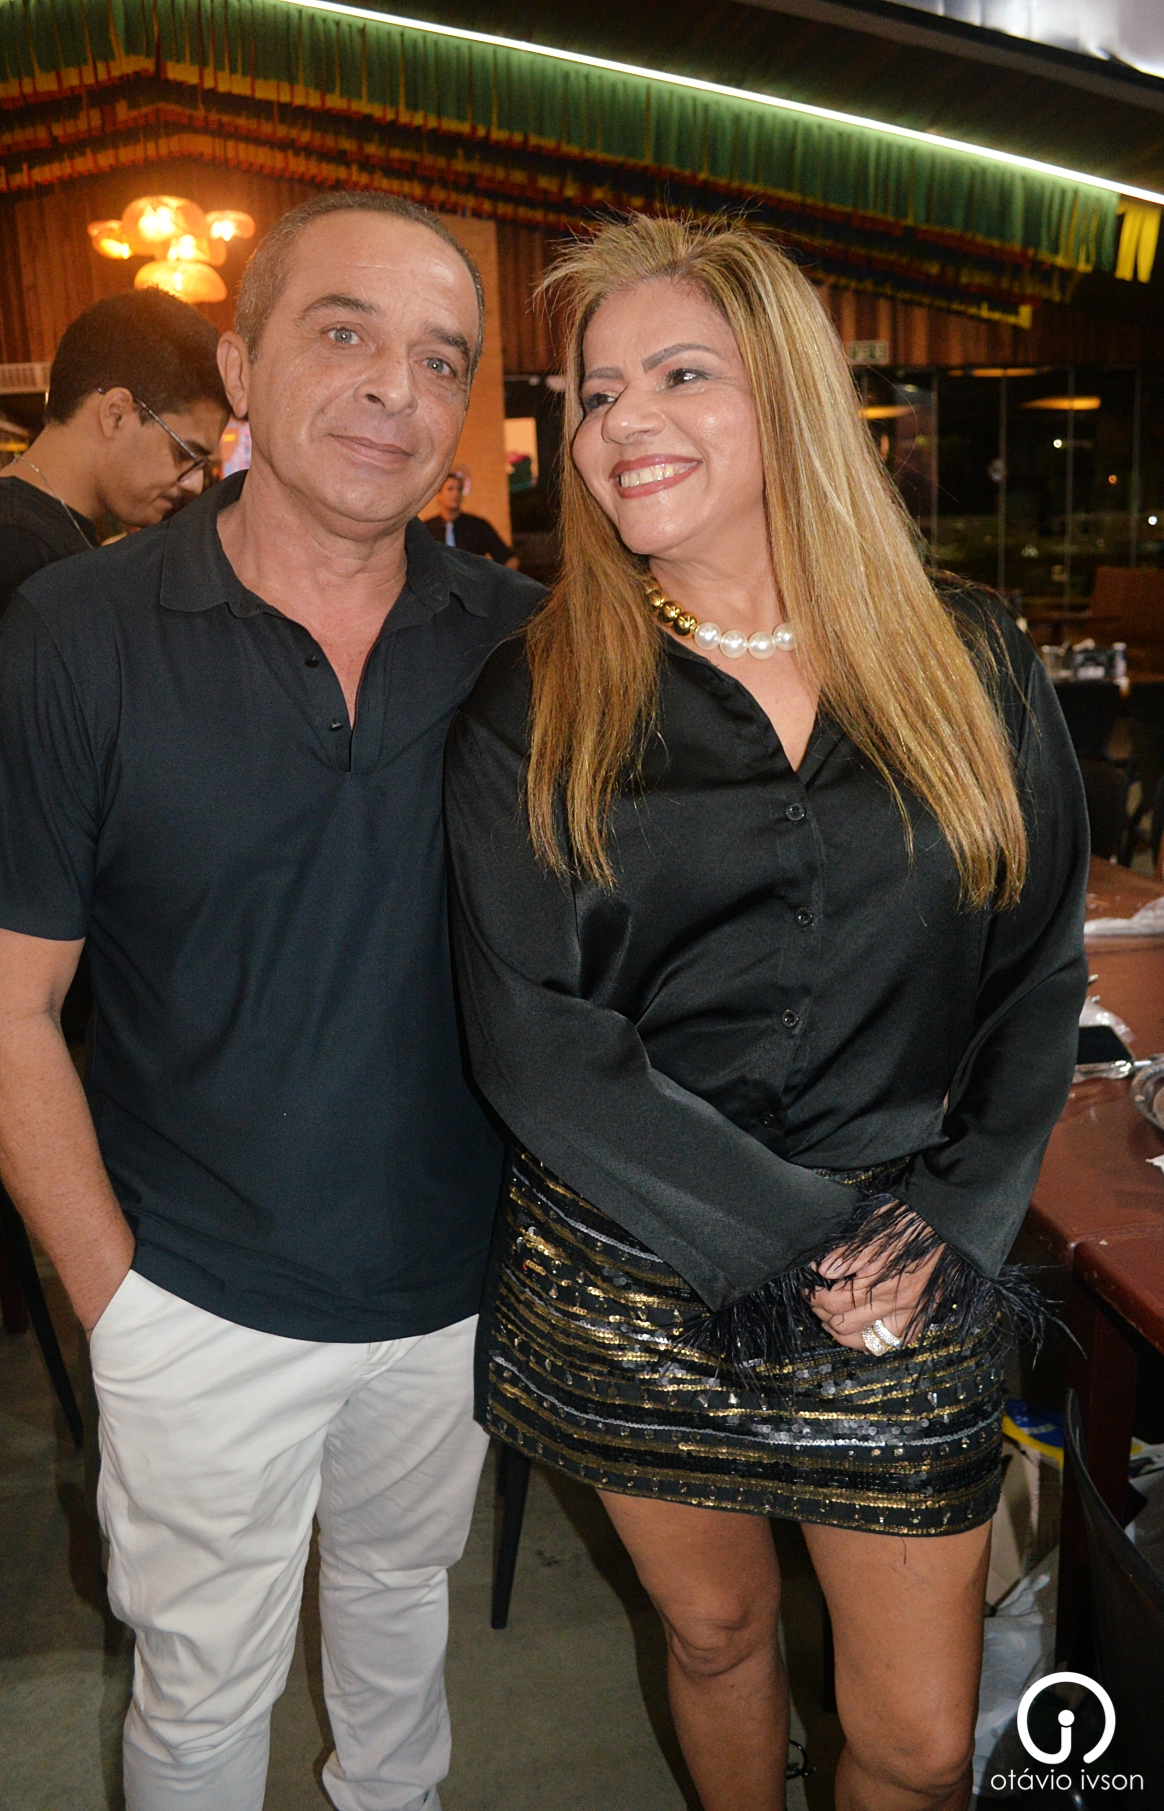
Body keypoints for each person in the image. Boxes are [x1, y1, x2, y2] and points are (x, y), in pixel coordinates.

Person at [444, 216, 1088, 1811]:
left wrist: (948, 1218)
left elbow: (1034, 969)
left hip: (909, 1262)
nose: (620, 423)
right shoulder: (537, 696)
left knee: (918, 1744)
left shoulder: (968, 656)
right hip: (636, 1268)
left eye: (678, 375)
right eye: (595, 393)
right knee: (717, 1633)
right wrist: (804, 1242)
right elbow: (535, 1036)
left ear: (787, 396)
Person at [0, 192, 540, 1810]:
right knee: (202, 1694)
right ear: (239, 364)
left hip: (451, 1293)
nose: (394, 389)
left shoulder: (525, 645)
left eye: (440, 358)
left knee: (399, 1629)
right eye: (343, 333)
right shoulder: (76, 632)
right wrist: (121, 1308)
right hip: (195, 1297)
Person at [0, 289, 229, 726]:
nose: (193, 484)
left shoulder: (39, 528)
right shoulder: (9, 551)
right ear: (116, 413)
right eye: (184, 454)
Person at [424, 469, 519, 566]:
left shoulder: (478, 526)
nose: (455, 493)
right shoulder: (427, 529)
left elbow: (509, 559)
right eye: (450, 489)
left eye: (459, 489)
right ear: (438, 494)